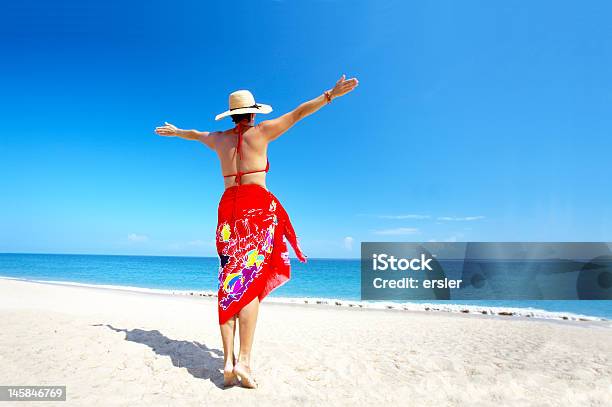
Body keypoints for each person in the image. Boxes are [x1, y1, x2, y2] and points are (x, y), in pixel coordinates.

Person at [154, 74, 358, 388]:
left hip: (228, 212)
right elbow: (298, 113)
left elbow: (196, 135)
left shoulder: (219, 139)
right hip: (256, 210)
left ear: (232, 115)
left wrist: (176, 131)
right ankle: (244, 362)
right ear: (253, 113)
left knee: (229, 281)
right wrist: (331, 94)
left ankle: (227, 362)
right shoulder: (263, 132)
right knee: (249, 285)